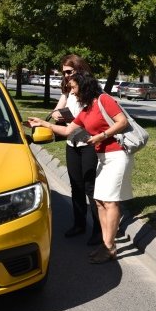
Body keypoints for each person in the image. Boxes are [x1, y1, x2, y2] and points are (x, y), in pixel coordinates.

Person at [29, 72, 134, 264]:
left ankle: (109, 247)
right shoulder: (86, 110)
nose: (72, 91)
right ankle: (106, 244)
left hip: (117, 155)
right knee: (99, 201)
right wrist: (43, 123)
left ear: (85, 86)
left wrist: (102, 136)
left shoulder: (103, 100)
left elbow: (122, 121)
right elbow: (67, 130)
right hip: (103, 157)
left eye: (74, 87)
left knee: (110, 202)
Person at [51, 54, 101, 245]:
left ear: (79, 69)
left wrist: (75, 120)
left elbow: (94, 116)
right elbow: (57, 110)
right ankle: (79, 223)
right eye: (63, 72)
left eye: (69, 72)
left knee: (90, 187)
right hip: (72, 142)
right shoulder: (68, 89)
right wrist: (57, 115)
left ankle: (98, 229)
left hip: (89, 143)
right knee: (76, 185)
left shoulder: (91, 89)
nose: (65, 75)